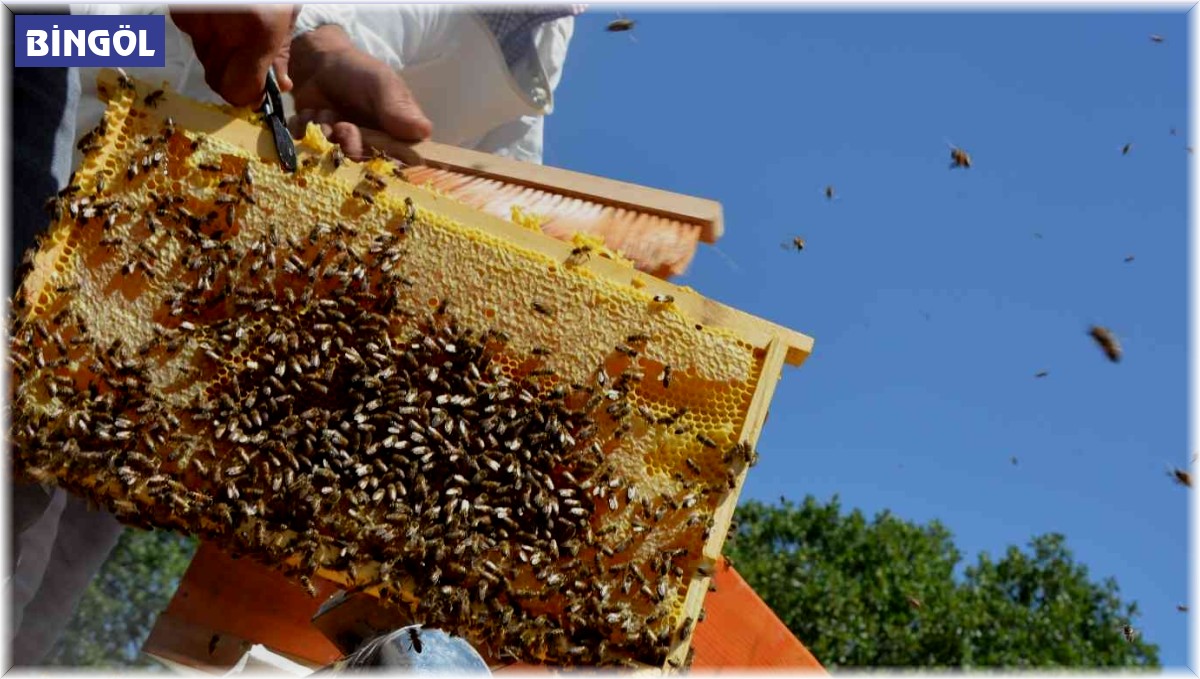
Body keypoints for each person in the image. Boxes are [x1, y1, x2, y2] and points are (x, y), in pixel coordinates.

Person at [13, 3, 581, 668]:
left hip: (179, 309)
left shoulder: (548, 38)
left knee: (45, 585)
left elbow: (503, 179)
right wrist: (317, 38)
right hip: (92, 80)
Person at [9, 6, 298, 667]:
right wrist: (151, 31)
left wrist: (310, 73)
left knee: (50, 589)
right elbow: (33, 37)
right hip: (44, 251)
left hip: (134, 341)